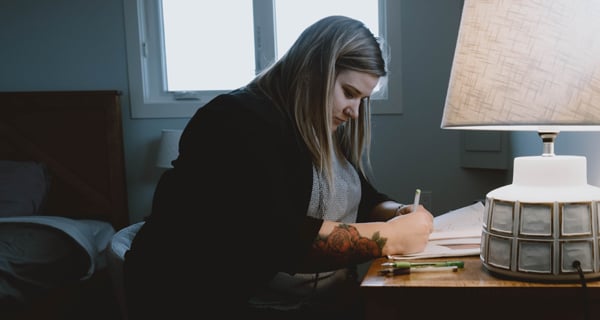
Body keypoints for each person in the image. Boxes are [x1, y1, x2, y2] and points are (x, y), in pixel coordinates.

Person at [123, 15, 434, 320]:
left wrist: (398, 212)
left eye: (363, 100)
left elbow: (363, 198)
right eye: (349, 93)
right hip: (222, 304)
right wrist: (390, 236)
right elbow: (280, 238)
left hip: (319, 301)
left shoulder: (319, 129)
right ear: (314, 70)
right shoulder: (234, 121)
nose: (354, 112)